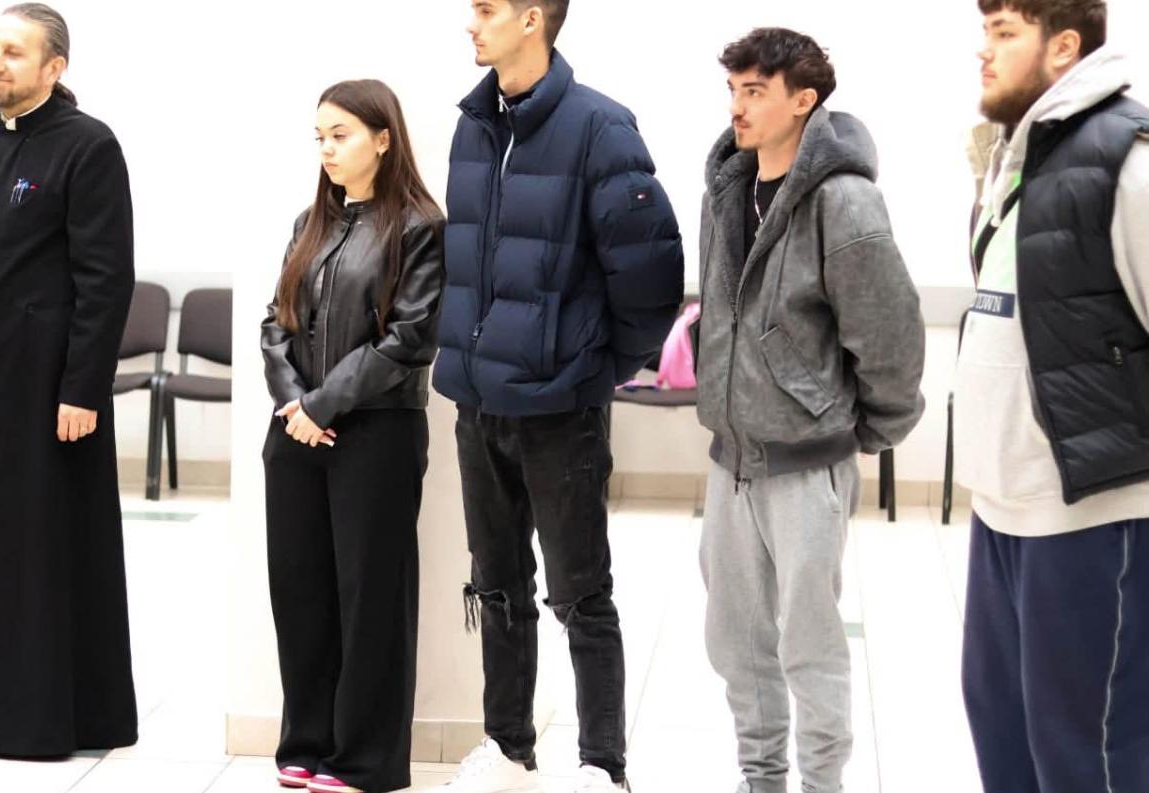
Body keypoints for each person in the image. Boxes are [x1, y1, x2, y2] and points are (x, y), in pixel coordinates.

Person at [432, 2, 684, 791]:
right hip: (479, 402)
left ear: (532, 19)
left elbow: (652, 275)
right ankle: (509, 749)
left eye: (486, 9)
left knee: (579, 593)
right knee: (496, 585)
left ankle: (602, 765)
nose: (470, 23)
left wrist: (592, 367)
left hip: (560, 410)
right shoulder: (474, 126)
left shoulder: (601, 128)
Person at [696, 27, 925, 793]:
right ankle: (760, 779)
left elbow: (888, 330)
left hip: (806, 464)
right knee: (736, 642)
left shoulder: (844, 199)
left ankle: (822, 784)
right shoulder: (726, 189)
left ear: (804, 100)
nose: (738, 107)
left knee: (809, 644)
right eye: (734, 90)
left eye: (755, 91)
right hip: (731, 460)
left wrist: (867, 429)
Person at [0, 2, 138, 757]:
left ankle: (45, 717)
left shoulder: (89, 146)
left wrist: (83, 388)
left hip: (48, 392)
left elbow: (106, 279)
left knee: (42, 549)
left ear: (54, 67)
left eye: (13, 52)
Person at [956, 2, 1149, 790]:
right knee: (1004, 738)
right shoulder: (1014, 157)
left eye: (1006, 33)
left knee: (1087, 755)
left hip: (1093, 514)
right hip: (1003, 505)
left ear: (1064, 46)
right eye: (986, 31)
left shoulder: (1127, 157)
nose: (984, 50)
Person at [260, 79, 445, 793]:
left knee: (371, 597)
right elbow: (276, 321)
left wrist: (325, 404)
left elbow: (408, 339)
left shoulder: (420, 227)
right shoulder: (311, 222)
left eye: (340, 134)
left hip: (377, 432)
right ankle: (307, 741)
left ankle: (366, 759)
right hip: (296, 432)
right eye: (320, 137)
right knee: (300, 590)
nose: (327, 149)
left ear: (383, 139)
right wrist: (294, 404)